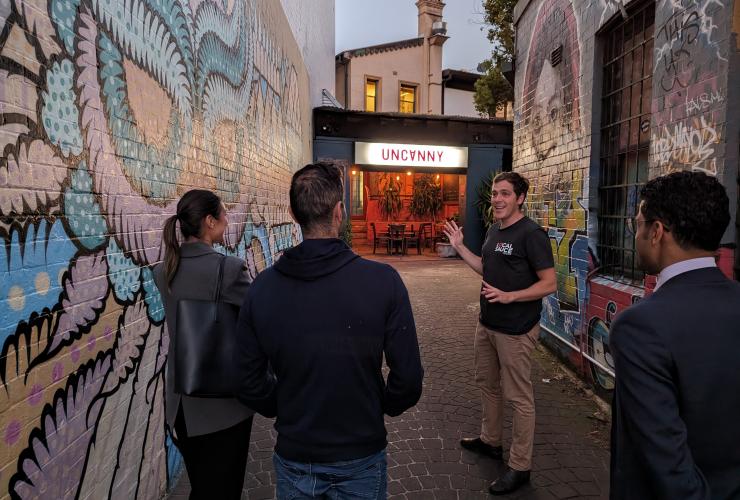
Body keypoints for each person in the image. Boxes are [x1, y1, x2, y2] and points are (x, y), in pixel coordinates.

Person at [234, 161, 423, 499]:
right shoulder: (383, 283)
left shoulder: (261, 289)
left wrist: (284, 404)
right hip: (361, 451)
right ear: (340, 212)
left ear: (293, 213)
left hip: (296, 452)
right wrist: (381, 404)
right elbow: (407, 378)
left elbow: (247, 380)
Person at [609, 171, 740, 500]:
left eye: (637, 224)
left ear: (657, 232)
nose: (636, 235)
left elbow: (669, 470)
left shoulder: (639, 327)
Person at [444, 171, 556, 495]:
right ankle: (491, 441)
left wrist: (510, 296)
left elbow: (548, 283)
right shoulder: (494, 230)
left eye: (505, 194)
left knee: (519, 398)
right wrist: (459, 247)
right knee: (488, 385)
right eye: (494, 193)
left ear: (520, 198)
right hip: (487, 325)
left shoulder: (531, 234)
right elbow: (485, 267)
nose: (497, 199)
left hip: (517, 331)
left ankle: (520, 466)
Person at [154, 189, 253, 500]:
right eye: (223, 214)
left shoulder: (163, 271)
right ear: (209, 221)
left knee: (203, 487)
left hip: (181, 404)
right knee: (224, 489)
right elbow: (257, 319)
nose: (228, 219)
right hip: (223, 407)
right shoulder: (230, 269)